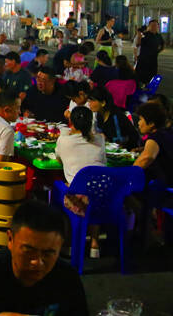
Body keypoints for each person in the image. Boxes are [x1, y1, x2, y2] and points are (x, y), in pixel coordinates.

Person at [0, 200, 88, 316]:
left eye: (48, 253)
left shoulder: (67, 279)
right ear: (10, 239)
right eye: (28, 251)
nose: (37, 262)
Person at [54, 106, 107, 256]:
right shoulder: (100, 139)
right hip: (105, 199)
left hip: (79, 201)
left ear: (71, 122)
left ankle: (69, 242)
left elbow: (59, 158)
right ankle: (94, 243)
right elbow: (104, 161)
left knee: (60, 188)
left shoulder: (64, 141)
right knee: (94, 188)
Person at [87, 86, 141, 150]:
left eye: (92, 101)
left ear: (103, 103)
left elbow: (126, 140)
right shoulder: (99, 115)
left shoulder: (117, 117)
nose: (89, 104)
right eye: (89, 101)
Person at [135, 19, 164, 86]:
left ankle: (150, 90)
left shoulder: (158, 36)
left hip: (153, 60)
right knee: (141, 76)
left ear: (158, 27)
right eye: (152, 25)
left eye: (155, 25)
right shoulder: (145, 35)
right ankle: (141, 88)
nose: (154, 27)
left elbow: (162, 45)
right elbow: (137, 44)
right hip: (143, 59)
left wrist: (157, 51)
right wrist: (139, 36)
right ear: (149, 26)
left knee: (152, 76)